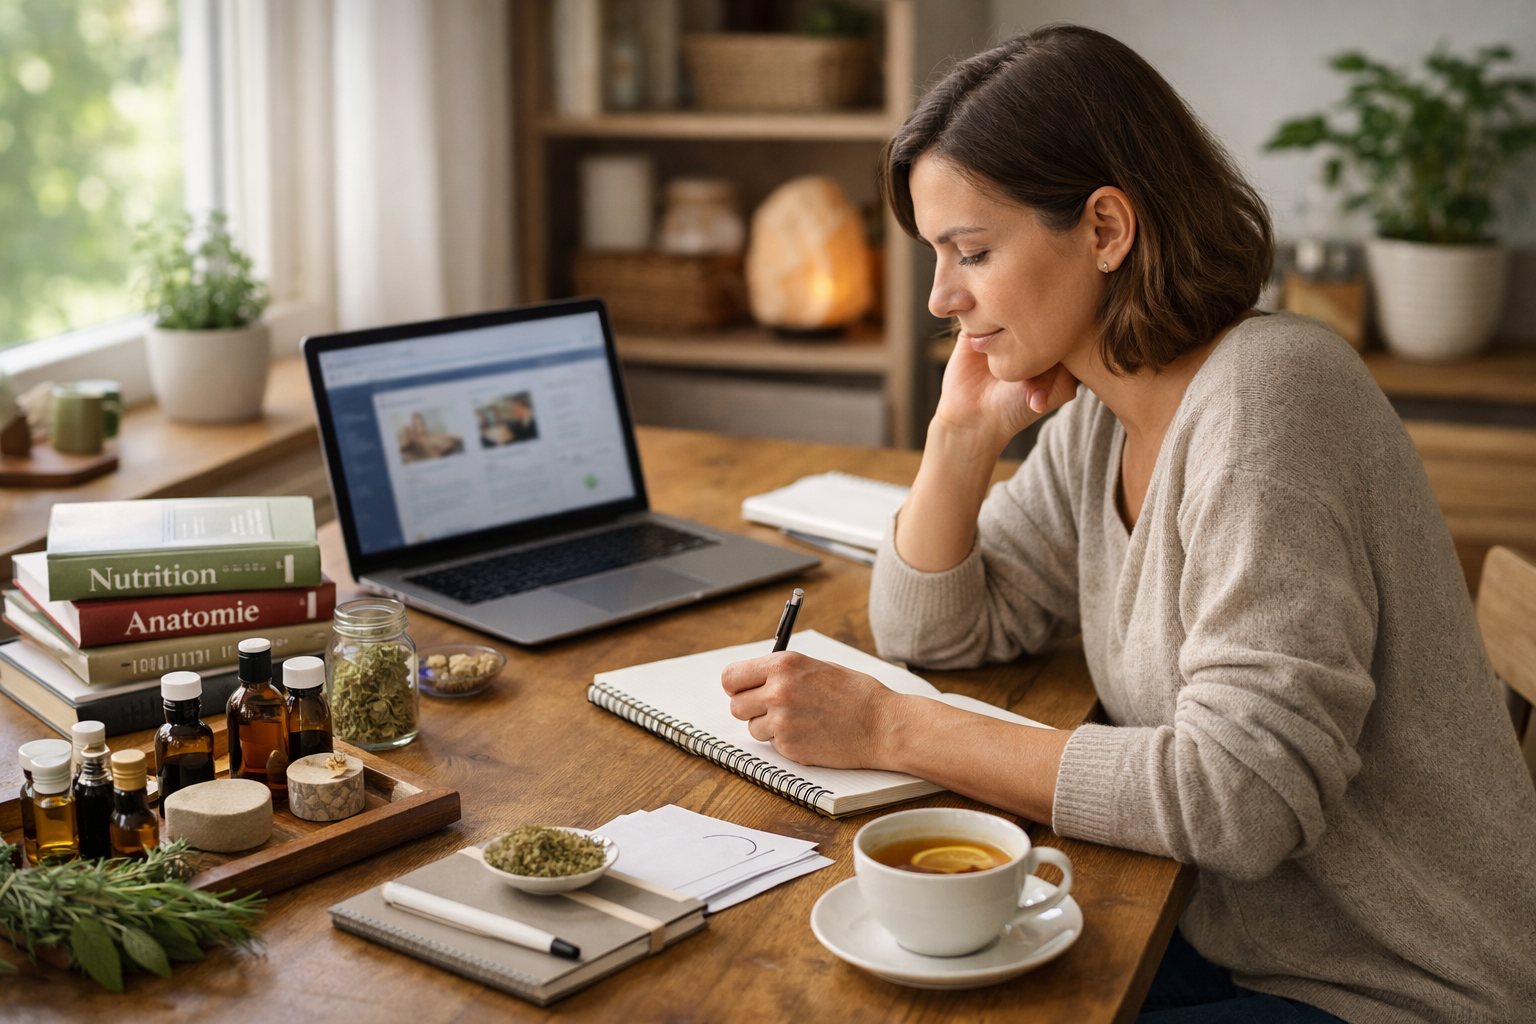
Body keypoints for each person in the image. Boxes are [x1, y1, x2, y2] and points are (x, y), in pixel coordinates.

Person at [720, 25, 1536, 1024]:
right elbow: (936, 630)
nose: (941, 296)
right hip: (1232, 931)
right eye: (938, 256)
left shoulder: (1270, 401)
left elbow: (1241, 796)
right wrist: (958, 441)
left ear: (1107, 229)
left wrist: (895, 726)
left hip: (1395, 987)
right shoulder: (1104, 417)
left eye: (972, 252)